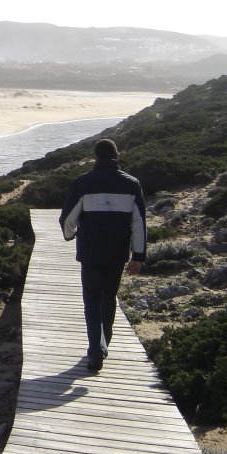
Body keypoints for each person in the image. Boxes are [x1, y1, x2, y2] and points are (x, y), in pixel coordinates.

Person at [59, 138, 146, 371]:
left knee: (91, 300)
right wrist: (138, 256)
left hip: (90, 252)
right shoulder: (132, 184)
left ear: (95, 158)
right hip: (117, 254)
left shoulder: (83, 183)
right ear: (116, 157)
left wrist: (69, 236)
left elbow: (68, 219)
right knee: (109, 298)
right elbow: (139, 223)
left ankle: (95, 352)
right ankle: (103, 344)